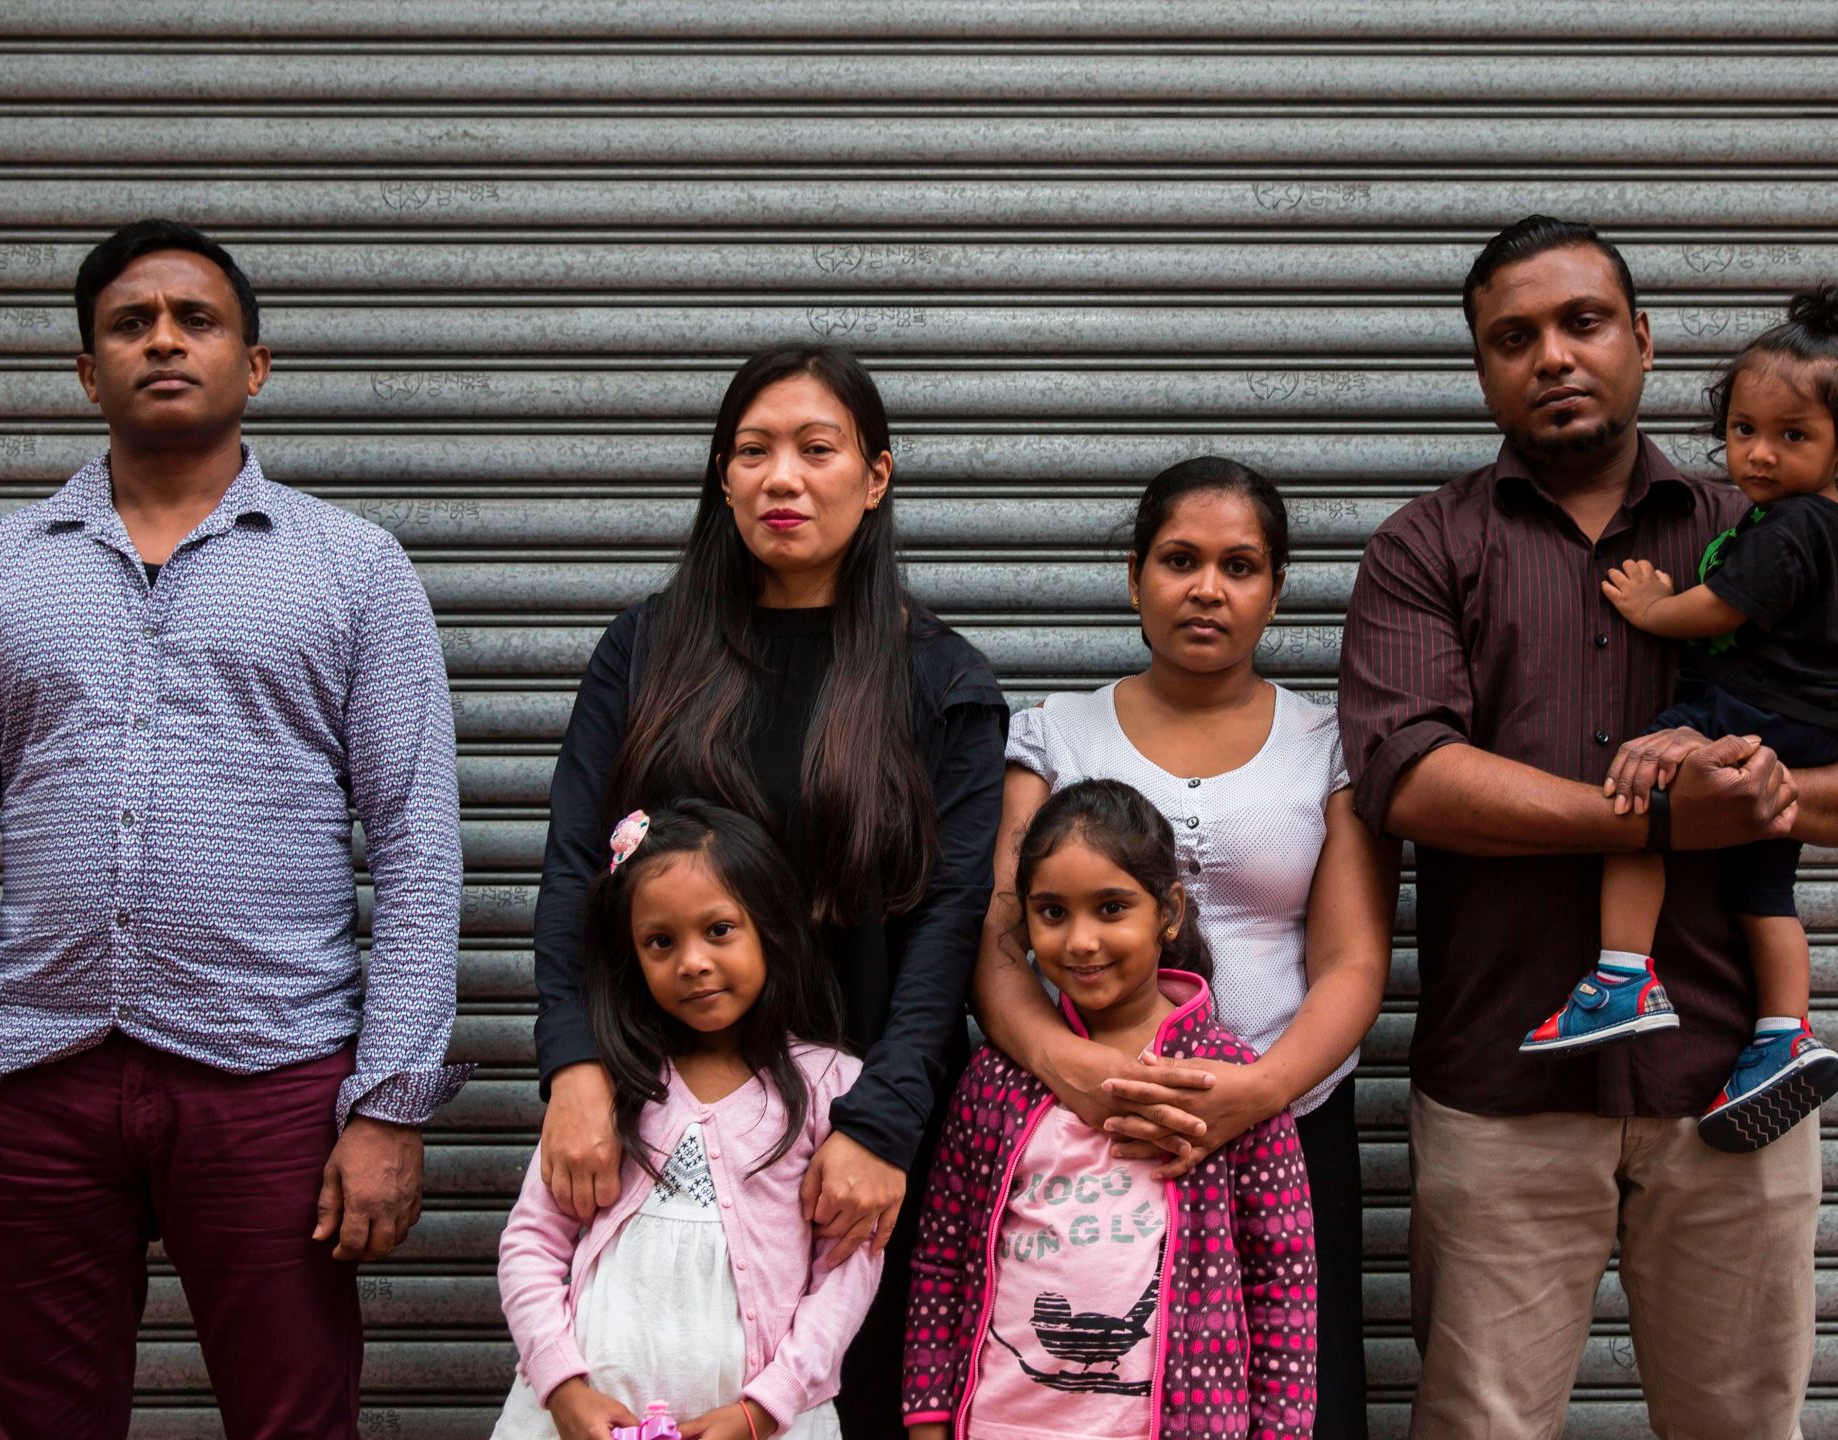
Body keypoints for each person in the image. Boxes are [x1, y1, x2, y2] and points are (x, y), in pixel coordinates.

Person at [0, 218, 468, 1438]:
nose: (163, 340)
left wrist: (388, 1103)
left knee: (295, 1416)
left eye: (196, 320)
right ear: (87, 372)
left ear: (253, 365)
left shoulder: (351, 568)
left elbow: (418, 845)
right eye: (130, 324)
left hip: (274, 1074)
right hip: (44, 1076)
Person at [1339, 216, 1838, 1438]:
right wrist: (1657, 817)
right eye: (1513, 338)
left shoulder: (1767, 525)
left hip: (1730, 1085)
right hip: (1503, 1082)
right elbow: (1411, 775)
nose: (1552, 356)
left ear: (1644, 342)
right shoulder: (1425, 546)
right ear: (1482, 370)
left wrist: (1772, 799)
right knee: (1479, 1425)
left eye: (1582, 322)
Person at [532, 345, 1008, 1437]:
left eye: (815, 450)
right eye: (752, 452)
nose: (780, 478)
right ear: (721, 476)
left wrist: (882, 1129)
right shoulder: (646, 650)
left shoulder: (941, 681)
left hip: (848, 1153)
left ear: (876, 477)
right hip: (656, 1125)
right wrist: (575, 1072)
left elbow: (949, 927)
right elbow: (572, 871)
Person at [969, 457, 1391, 1438]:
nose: (1207, 588)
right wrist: (1072, 1069)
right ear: (1134, 577)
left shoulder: (1328, 747)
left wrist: (1261, 1089)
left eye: (1240, 565)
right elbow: (993, 944)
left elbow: (1354, 961)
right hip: (1082, 1138)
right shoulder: (1054, 737)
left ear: (1276, 588)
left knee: (1292, 1403)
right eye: (1178, 559)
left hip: (1286, 1131)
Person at [1525, 287, 1838, 1155]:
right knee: (1764, 890)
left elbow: (1722, 610)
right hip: (1815, 730)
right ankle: (1783, 1033)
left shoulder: (1783, 528)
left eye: (1792, 437)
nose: (1761, 456)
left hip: (1744, 711)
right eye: (1744, 431)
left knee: (1641, 804)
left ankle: (1622, 975)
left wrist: (1656, 607)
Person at [905, 779, 1318, 1440]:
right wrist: (929, 1416)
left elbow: (1283, 1284)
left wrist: (1279, 1431)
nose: (1082, 942)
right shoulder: (995, 1080)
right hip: (1003, 1424)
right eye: (1052, 912)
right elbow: (942, 1261)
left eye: (1110, 908)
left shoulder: (1230, 1083)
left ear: (1169, 912)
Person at [496, 801, 882, 1440]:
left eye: (720, 930)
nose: (693, 961)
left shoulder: (831, 1087)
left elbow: (847, 1272)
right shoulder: (608, 1086)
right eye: (661, 942)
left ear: (770, 928)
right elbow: (531, 1243)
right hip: (581, 1421)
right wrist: (561, 1387)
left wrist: (763, 1411)